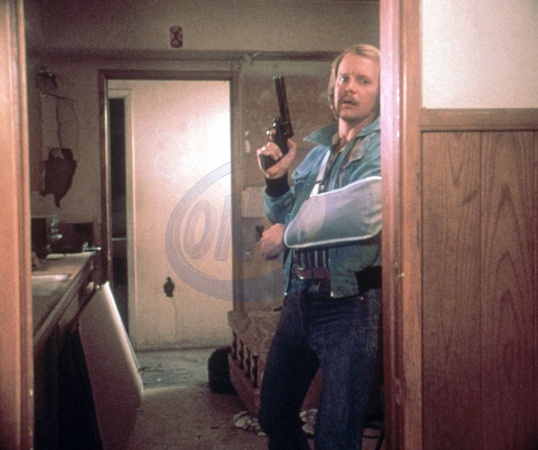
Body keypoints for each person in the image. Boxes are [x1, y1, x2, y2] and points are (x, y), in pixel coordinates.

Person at [256, 44, 382, 449]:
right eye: (343, 78)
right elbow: (283, 212)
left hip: (348, 302)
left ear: (380, 92)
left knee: (336, 435)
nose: (349, 87)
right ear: (333, 87)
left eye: (363, 80)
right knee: (273, 414)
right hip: (299, 294)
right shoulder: (317, 156)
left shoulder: (385, 148)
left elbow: (356, 213)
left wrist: (287, 233)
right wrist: (276, 179)